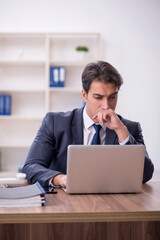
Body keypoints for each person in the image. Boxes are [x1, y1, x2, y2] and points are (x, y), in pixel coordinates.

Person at [22, 61, 154, 187]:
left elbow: (146, 175)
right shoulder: (55, 123)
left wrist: (121, 131)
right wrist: (61, 179)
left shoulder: (129, 129)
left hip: (113, 202)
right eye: (98, 97)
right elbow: (31, 167)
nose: (106, 105)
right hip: (66, 202)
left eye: (112, 97)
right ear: (84, 95)